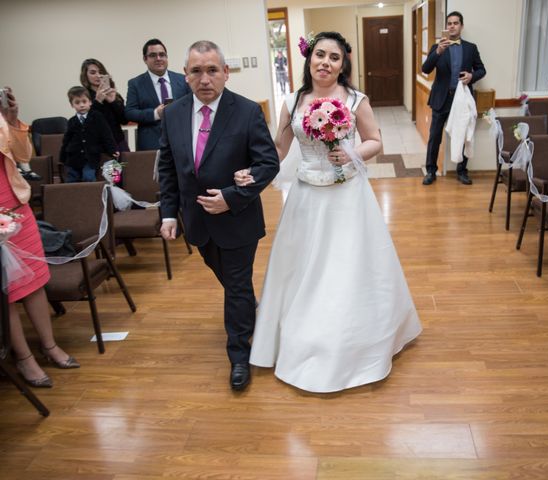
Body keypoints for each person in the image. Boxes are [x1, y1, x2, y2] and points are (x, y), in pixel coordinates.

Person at [238, 31, 422, 393]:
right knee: (306, 267)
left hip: (348, 195)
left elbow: (375, 141)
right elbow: (278, 147)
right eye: (319, 54)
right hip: (307, 196)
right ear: (309, 59)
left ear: (343, 64)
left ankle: (355, 338)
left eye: (333, 57)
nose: (325, 62)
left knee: (348, 264)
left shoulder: (356, 100)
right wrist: (254, 171)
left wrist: (352, 153)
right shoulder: (291, 101)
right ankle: (304, 334)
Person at [158, 40, 279, 391]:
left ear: (226, 73)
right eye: (196, 71)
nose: (205, 78)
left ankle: (240, 356)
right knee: (230, 282)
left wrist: (232, 196)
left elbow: (268, 163)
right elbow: (168, 167)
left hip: (238, 218)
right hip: (197, 222)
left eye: (212, 70)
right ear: (185, 76)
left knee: (236, 286)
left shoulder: (246, 111)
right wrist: (168, 213)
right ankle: (250, 311)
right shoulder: (174, 114)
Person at [0, 87, 79, 388]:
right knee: (6, 292)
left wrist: (11, 118)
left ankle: (49, 346)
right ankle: (23, 358)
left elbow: (23, 156)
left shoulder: (2, 119)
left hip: (16, 204)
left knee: (33, 280)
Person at [421, 11, 486, 186]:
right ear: (446, 27)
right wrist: (438, 52)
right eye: (449, 23)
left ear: (461, 26)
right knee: (435, 136)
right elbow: (425, 69)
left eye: (455, 23)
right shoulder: (438, 47)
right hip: (441, 98)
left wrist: (472, 77)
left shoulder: (471, 48)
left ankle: (462, 171)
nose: (452, 26)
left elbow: (481, 69)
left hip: (462, 100)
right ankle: (431, 171)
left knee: (464, 135)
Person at [125, 39, 191, 151]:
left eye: (162, 54)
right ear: (145, 59)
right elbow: (130, 113)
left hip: (182, 139)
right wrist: (155, 114)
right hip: (151, 143)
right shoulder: (135, 83)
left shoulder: (182, 80)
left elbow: (193, 104)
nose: (158, 59)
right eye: (153, 55)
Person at [60, 86, 118, 183]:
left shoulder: (97, 117)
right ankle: (74, 197)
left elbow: (106, 134)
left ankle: (90, 197)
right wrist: (62, 157)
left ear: (90, 102)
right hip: (73, 157)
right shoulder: (71, 121)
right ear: (72, 105)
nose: (81, 105)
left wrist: (112, 149)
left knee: (88, 177)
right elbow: (66, 140)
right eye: (77, 102)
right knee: (71, 179)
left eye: (84, 101)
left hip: (90, 157)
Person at [80, 58, 130, 152]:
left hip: (118, 143)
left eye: (101, 72)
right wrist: (97, 101)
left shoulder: (113, 94)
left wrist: (113, 102)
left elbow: (124, 120)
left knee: (128, 166)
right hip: (98, 146)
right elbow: (87, 125)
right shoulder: (84, 97)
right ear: (85, 75)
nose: (98, 76)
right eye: (93, 72)